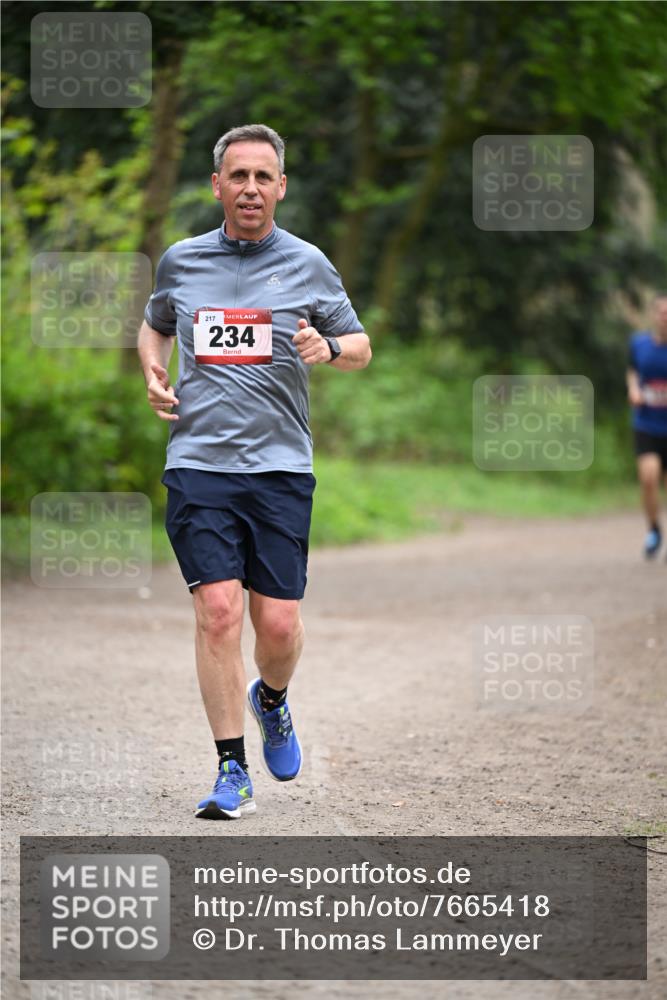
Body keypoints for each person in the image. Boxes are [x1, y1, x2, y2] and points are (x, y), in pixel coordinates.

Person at [138, 124, 371, 818]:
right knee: (217, 613)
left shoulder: (307, 264)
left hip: (279, 470)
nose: (249, 188)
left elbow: (360, 346)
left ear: (281, 187)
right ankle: (230, 771)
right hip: (199, 464)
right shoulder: (181, 262)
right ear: (216, 185)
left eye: (262, 177)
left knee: (276, 626)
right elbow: (155, 324)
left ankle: (270, 699)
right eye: (237, 176)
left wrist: (327, 347)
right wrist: (150, 368)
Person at [626, 293, 667, 559]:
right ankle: (653, 529)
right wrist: (633, 389)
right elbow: (632, 371)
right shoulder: (638, 344)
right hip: (647, 424)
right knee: (649, 478)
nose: (665, 316)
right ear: (653, 314)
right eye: (662, 311)